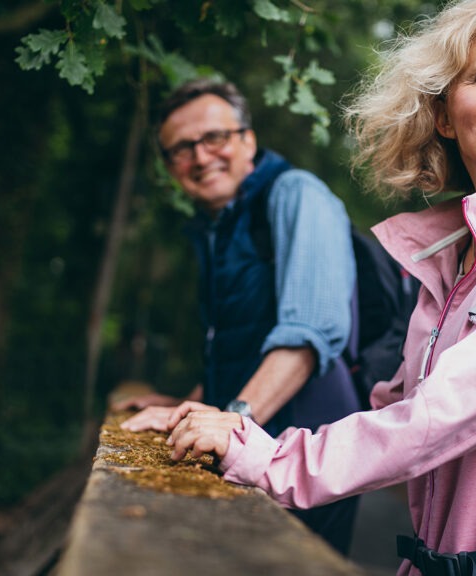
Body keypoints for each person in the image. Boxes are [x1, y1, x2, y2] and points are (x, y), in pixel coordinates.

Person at [162, 1, 476, 575]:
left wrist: (269, 456)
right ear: (444, 115)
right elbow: (399, 410)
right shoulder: (451, 254)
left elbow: (463, 402)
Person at [112, 78, 362, 554]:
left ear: (248, 138)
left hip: (307, 453)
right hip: (248, 441)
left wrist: (231, 422)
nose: (201, 157)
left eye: (215, 137)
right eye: (182, 149)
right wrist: (186, 404)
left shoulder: (296, 195)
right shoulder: (215, 229)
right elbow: (239, 342)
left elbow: (306, 337)